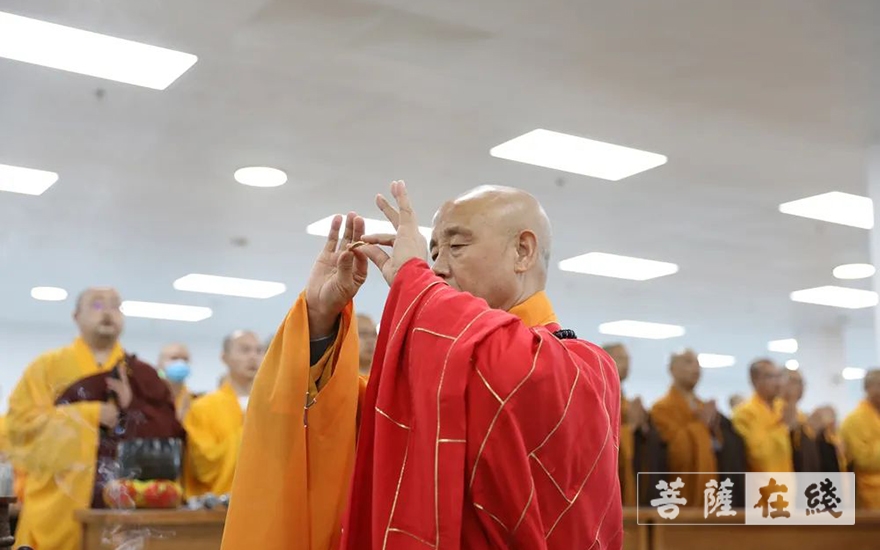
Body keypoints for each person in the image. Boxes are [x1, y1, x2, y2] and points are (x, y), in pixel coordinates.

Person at [222, 182, 622, 550]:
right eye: (432, 254)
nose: (438, 269)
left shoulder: (584, 367)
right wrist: (320, 321)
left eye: (456, 246)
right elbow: (362, 429)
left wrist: (414, 279)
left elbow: (510, 373)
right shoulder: (441, 373)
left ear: (523, 251)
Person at [6, 287, 184, 550]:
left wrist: (131, 408)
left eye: (115, 306)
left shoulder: (142, 374)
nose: (108, 313)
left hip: (123, 512)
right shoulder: (47, 367)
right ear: (76, 316)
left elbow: (169, 435)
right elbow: (19, 427)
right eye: (97, 305)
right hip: (58, 505)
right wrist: (89, 414)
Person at [183, 331, 262, 498]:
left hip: (266, 500)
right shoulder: (203, 407)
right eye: (245, 350)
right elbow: (203, 464)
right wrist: (247, 435)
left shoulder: (273, 405)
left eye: (258, 350)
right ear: (224, 357)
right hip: (219, 502)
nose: (253, 356)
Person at [732, 359, 794, 472]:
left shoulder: (781, 407)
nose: (777, 383)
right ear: (754, 380)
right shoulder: (745, 413)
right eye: (770, 377)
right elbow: (759, 456)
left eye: (779, 376)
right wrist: (782, 426)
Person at [780, 370, 844, 472]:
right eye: (794, 381)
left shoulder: (802, 416)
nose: (800, 386)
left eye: (802, 383)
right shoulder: (777, 411)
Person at [604, 343, 644, 506]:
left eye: (628, 359)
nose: (626, 364)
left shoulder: (625, 402)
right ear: (605, 359)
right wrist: (630, 428)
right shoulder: (597, 396)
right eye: (620, 358)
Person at [840, 369, 880, 509]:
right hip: (868, 495)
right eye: (878, 385)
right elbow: (862, 460)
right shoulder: (854, 421)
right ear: (867, 388)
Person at [157, 343, 197, 421]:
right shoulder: (148, 396)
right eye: (174, 358)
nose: (180, 363)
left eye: (185, 359)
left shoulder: (195, 400)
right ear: (160, 363)